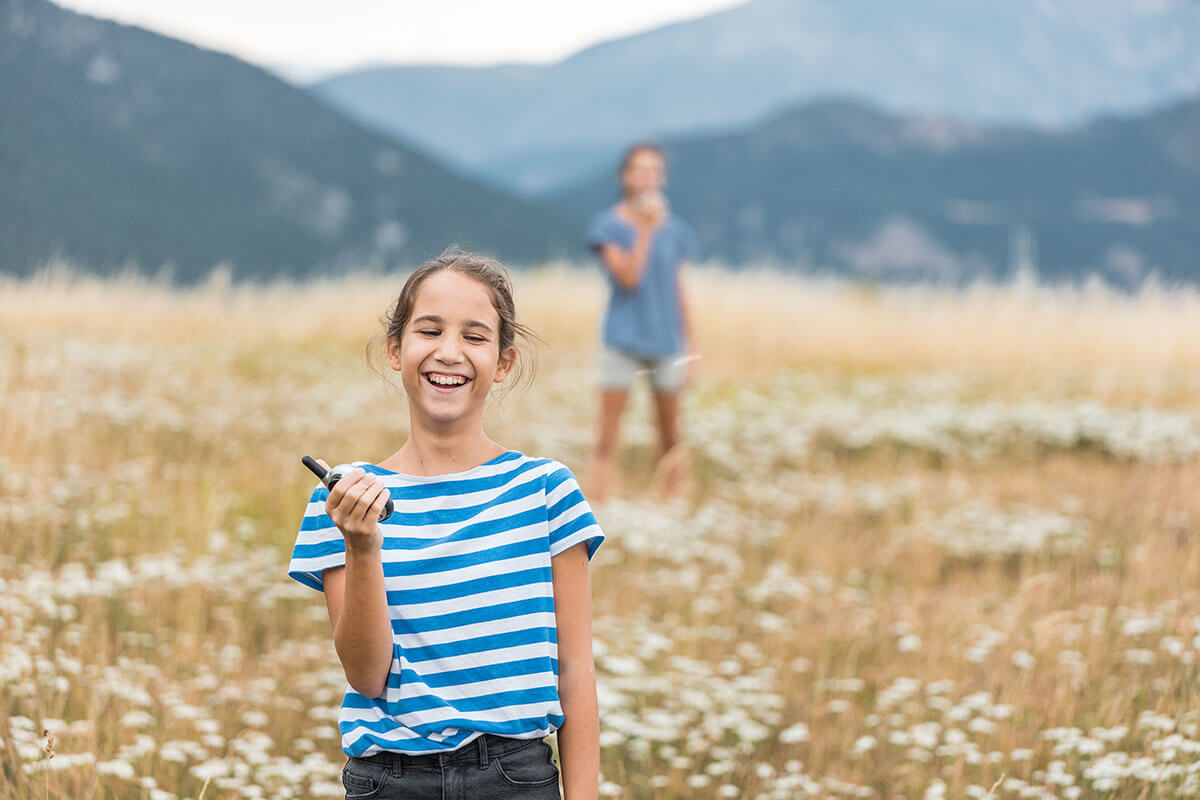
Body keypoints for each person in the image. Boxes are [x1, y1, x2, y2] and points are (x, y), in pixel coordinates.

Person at [287, 250, 604, 800]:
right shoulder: (343, 502)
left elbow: (575, 672)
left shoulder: (546, 490)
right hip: (388, 780)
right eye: (428, 330)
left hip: (516, 777)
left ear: (503, 363)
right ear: (395, 349)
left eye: (475, 337)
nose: (449, 352)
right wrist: (363, 547)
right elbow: (366, 675)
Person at [585, 143, 699, 503]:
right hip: (623, 339)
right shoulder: (607, 225)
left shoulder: (677, 230)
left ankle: (672, 505)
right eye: (640, 170)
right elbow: (629, 278)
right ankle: (597, 507)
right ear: (625, 177)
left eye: (655, 170)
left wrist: (691, 346)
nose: (647, 177)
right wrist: (647, 230)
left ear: (661, 178)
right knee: (607, 435)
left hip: (666, 341)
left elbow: (678, 288)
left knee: (670, 436)